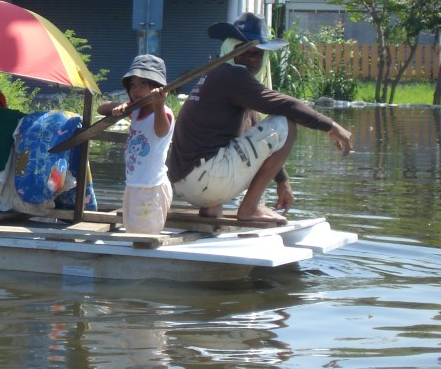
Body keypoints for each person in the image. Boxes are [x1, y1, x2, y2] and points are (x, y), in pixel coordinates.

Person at [167, 12, 353, 224]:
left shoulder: (218, 76)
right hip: (205, 179)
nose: (252, 59)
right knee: (286, 123)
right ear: (230, 50)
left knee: (237, 142)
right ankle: (250, 208)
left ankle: (212, 211)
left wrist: (283, 180)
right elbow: (289, 105)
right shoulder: (233, 76)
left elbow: (257, 133)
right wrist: (331, 125)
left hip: (187, 184)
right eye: (244, 52)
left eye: (257, 54)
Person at [97, 55, 174, 234]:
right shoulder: (136, 110)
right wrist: (122, 106)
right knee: (132, 229)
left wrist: (159, 105)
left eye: (143, 84)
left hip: (151, 186)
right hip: (134, 184)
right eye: (132, 85)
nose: (136, 89)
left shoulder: (163, 113)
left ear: (156, 87)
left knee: (145, 234)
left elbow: (161, 132)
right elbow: (101, 108)